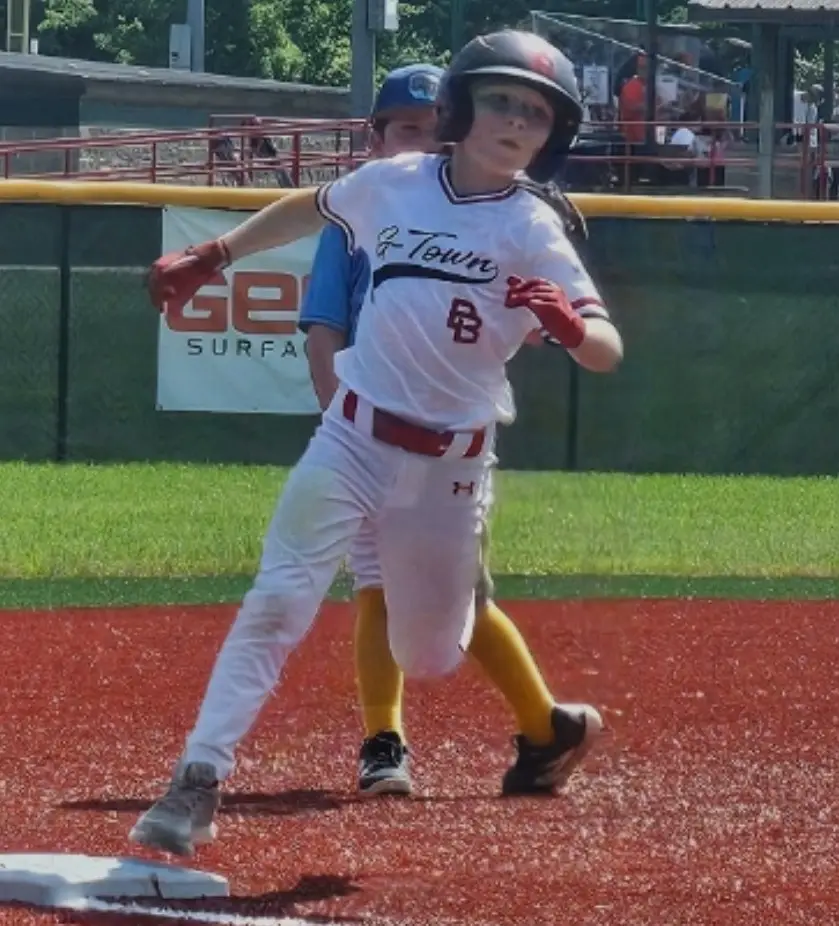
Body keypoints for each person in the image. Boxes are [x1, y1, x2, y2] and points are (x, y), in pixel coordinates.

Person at [131, 28, 623, 858]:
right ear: (459, 107)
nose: (515, 121)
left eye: (536, 114)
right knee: (278, 599)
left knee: (427, 654)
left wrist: (573, 330)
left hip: (451, 465)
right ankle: (196, 781)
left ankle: (553, 728)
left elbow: (605, 349)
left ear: (553, 136)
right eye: (501, 100)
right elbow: (314, 205)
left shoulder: (532, 227)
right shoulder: (394, 182)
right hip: (353, 436)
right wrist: (216, 253)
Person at [299, 63, 594, 798]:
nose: (422, 143)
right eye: (406, 129)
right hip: (364, 429)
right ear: (374, 137)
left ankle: (543, 726)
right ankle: (384, 740)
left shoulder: (494, 215)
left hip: (445, 441)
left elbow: (523, 327)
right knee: (375, 584)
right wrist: (344, 424)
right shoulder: (360, 212)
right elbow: (324, 328)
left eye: (432, 130)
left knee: (463, 599)